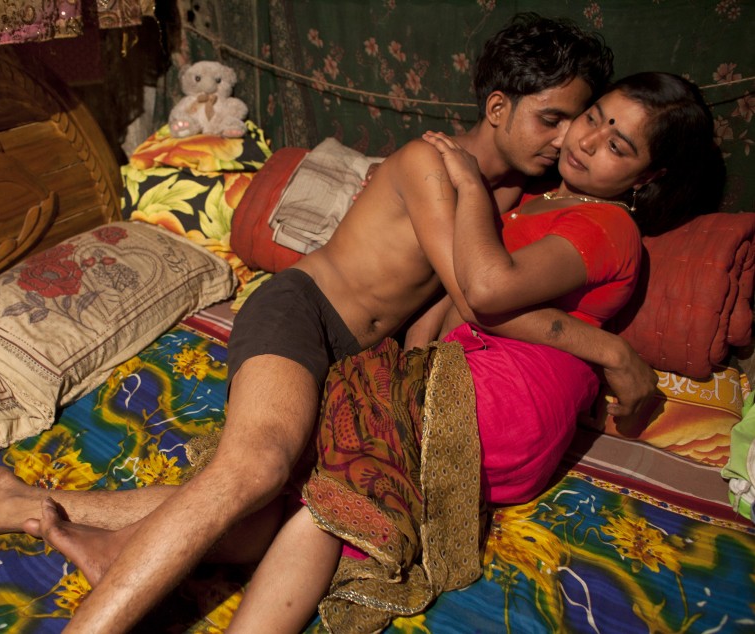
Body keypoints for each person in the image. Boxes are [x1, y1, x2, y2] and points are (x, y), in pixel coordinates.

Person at [0, 13, 653, 632]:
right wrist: (610, 351)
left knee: (266, 520)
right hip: (301, 312)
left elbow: (438, 322)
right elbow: (483, 295)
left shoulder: (509, 202)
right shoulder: (431, 162)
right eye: (553, 119)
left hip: (354, 360)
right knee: (257, 469)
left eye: (576, 124)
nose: (564, 141)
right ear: (497, 106)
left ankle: (10, 501)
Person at [225, 71, 726, 633]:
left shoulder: (605, 224)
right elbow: (451, 298)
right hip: (466, 378)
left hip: (510, 390)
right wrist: (402, 370)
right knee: (289, 474)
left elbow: (485, 292)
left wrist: (465, 186)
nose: (586, 141)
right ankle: (122, 538)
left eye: (617, 145)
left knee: (346, 482)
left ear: (648, 175)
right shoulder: (532, 200)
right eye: (594, 117)